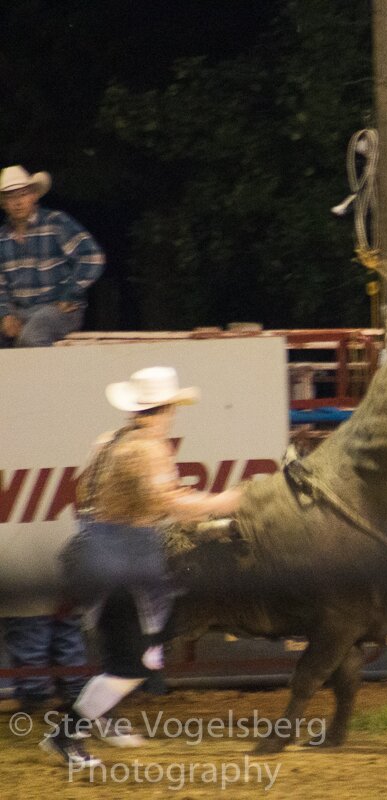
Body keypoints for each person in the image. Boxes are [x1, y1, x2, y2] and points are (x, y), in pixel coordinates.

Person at [40, 367, 245, 767]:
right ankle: (67, 735)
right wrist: (227, 502)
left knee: (132, 650)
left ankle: (101, 716)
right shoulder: (148, 449)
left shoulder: (110, 441)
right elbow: (172, 503)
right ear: (165, 409)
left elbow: (86, 493)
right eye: (172, 408)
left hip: (99, 551)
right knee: (133, 663)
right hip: (123, 562)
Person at [0, 165, 105, 347]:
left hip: (58, 308)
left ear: (34, 195)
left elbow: (92, 257)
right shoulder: (2, 237)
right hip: (20, 311)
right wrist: (5, 315)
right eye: (11, 197)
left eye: (23, 194)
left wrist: (70, 292)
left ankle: (44, 367)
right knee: (16, 333)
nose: (18, 202)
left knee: (32, 336)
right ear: (3, 203)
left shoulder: (55, 223)